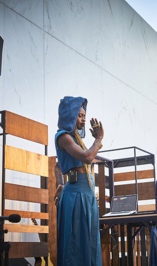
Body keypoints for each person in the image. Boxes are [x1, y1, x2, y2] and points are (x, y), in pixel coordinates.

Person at [54, 96, 104, 266]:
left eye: (84, 115)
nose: (83, 119)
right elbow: (87, 157)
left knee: (89, 243)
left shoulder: (76, 138)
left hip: (86, 195)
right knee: (74, 246)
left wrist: (60, 183)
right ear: (70, 114)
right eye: (79, 115)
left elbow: (57, 165)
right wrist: (98, 140)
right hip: (76, 197)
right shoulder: (63, 137)